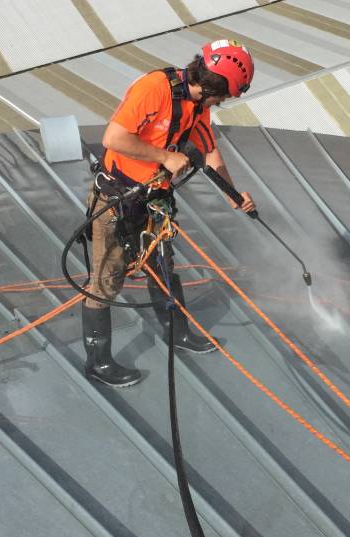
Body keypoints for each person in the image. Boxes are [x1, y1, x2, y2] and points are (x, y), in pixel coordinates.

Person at [82, 39, 257, 388]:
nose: (222, 102)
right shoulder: (154, 89)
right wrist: (163, 157)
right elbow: (114, 137)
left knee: (162, 266)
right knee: (106, 280)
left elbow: (209, 152)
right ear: (211, 85)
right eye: (223, 96)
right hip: (117, 199)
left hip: (154, 200)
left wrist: (233, 194)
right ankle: (98, 363)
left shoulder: (198, 106)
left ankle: (178, 334)